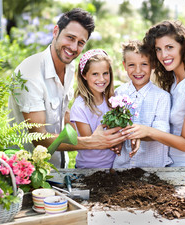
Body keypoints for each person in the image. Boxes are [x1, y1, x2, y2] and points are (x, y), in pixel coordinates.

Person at [8, 8, 126, 168]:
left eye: (80, 43)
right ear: (56, 31)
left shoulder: (69, 67)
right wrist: (91, 142)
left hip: (57, 168)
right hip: (28, 172)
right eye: (70, 38)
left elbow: (63, 114)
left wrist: (107, 136)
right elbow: (39, 138)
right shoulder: (30, 72)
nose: (73, 47)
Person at [122, 20, 185, 167]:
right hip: (168, 164)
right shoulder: (172, 81)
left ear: (183, 47)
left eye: (169, 47)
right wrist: (134, 134)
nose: (163, 55)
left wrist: (148, 131)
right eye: (158, 49)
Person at [112, 40, 172, 168]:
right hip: (122, 166)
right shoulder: (118, 93)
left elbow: (161, 132)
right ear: (124, 66)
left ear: (153, 65)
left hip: (153, 167)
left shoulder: (162, 97)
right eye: (132, 65)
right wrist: (116, 140)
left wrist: (138, 134)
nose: (138, 70)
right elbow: (114, 125)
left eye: (144, 64)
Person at [69, 49, 116, 168]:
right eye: (95, 74)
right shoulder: (80, 106)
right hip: (88, 168)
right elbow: (91, 142)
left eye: (105, 73)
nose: (101, 79)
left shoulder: (112, 100)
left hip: (113, 166)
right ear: (84, 75)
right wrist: (117, 138)